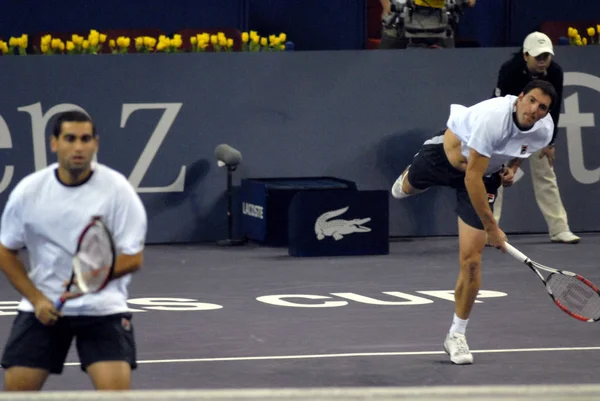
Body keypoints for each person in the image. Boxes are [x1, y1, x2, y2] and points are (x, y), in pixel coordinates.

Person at [391, 80, 557, 364]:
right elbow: (471, 178)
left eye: (542, 107)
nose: (534, 110)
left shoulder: (544, 130)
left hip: (483, 173)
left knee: (471, 261)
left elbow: (521, 151)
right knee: (403, 191)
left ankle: (456, 334)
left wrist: (511, 168)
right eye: (531, 100)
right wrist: (492, 228)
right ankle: (411, 176)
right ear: (519, 98)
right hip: (443, 159)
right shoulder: (494, 118)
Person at [0, 111, 148, 390]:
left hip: (103, 309)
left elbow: (133, 257)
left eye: (85, 139)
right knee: (16, 394)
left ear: (96, 144)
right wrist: (37, 299)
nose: (78, 147)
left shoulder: (117, 190)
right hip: (43, 307)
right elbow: (5, 250)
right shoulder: (29, 191)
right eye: (70, 139)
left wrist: (89, 279)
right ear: (54, 143)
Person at [492, 31, 579, 244]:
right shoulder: (510, 70)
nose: (543, 61)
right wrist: (505, 139)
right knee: (496, 175)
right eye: (538, 57)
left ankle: (559, 229)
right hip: (506, 127)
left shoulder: (555, 72)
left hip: (538, 127)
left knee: (546, 174)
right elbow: (500, 106)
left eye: (546, 56)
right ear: (525, 56)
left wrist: (549, 142)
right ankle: (490, 229)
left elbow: (555, 109)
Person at [378, 0, 476, 49]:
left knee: (447, 74)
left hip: (441, 26)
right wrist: (387, 6)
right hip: (398, 25)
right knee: (385, 73)